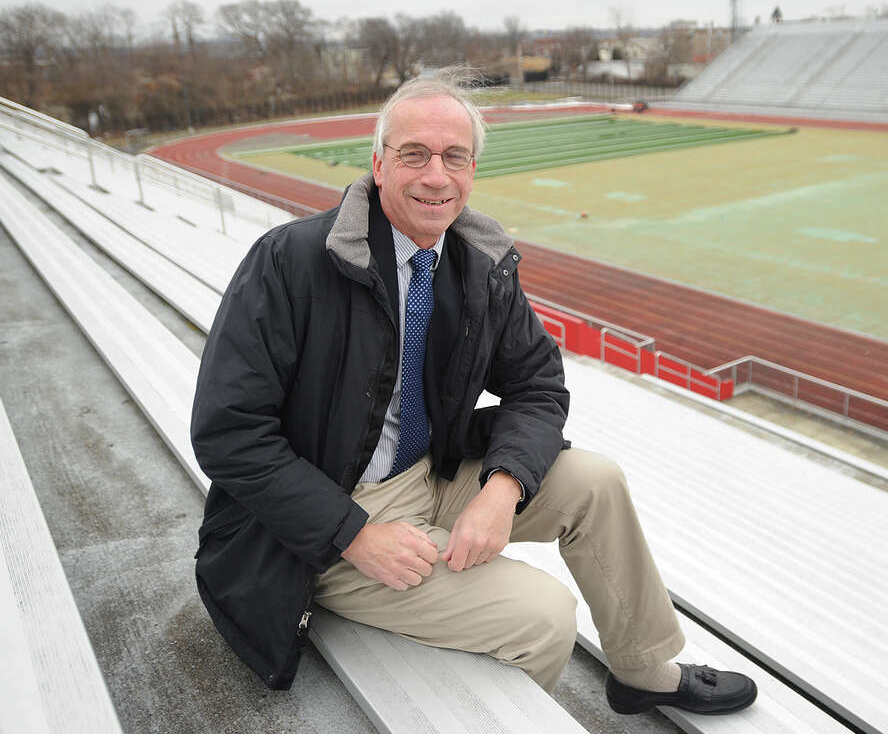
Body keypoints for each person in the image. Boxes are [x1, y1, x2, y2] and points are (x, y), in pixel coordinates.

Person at [190, 69, 757, 716]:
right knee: (546, 615)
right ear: (378, 164)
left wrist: (503, 485)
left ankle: (642, 667)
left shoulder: (476, 263)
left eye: (454, 157)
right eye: (415, 155)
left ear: (472, 169)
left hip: (433, 474)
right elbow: (228, 432)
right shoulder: (291, 261)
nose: (437, 175)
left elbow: (538, 382)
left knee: (595, 480)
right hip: (322, 520)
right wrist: (351, 533)